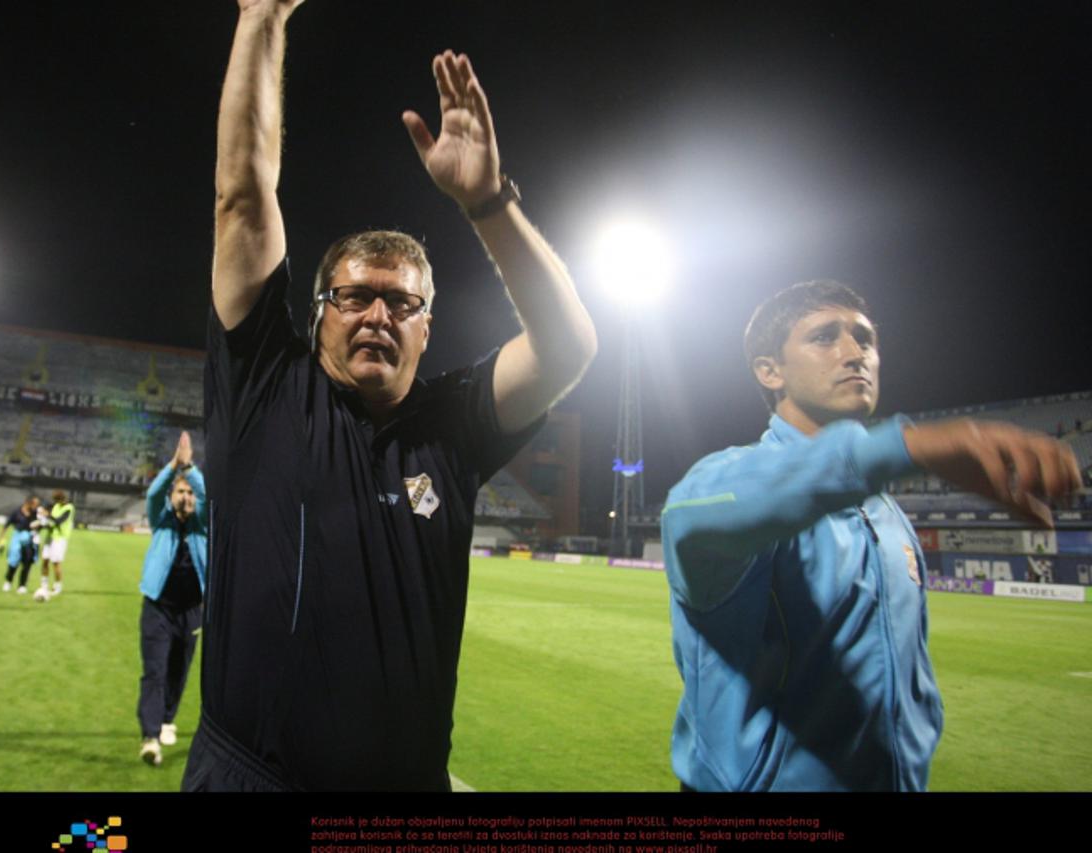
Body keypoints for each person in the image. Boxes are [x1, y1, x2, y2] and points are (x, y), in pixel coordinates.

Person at [183, 0, 597, 791]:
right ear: (318, 313)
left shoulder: (452, 425)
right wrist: (262, 16)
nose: (378, 314)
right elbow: (242, 195)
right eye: (355, 296)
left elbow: (570, 348)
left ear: (427, 328)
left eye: (401, 303)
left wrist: (489, 201)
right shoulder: (267, 385)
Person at [660, 280, 1082, 791]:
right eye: (824, 337)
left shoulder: (886, 513)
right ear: (770, 371)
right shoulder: (728, 481)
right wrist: (909, 447)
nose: (855, 352)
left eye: (865, 338)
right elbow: (692, 518)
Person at [138, 432, 206, 768]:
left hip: (192, 611)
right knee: (154, 670)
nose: (187, 496)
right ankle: (150, 737)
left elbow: (207, 495)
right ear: (172, 496)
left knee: (179, 671)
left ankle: (167, 719)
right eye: (181, 490)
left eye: (190, 492)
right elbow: (152, 493)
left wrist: (189, 468)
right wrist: (173, 467)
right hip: (158, 608)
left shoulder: (203, 525)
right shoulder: (161, 521)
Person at [0, 496, 41, 594]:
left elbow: (39, 526)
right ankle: (8, 582)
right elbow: (7, 524)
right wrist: (1, 538)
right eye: (34, 504)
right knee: (13, 561)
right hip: (17, 539)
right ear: (28, 503)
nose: (36, 506)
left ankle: (22, 585)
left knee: (27, 563)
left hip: (30, 540)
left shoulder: (35, 513)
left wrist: (38, 525)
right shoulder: (16, 512)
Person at [36, 490, 75, 599]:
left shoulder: (69, 508)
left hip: (60, 539)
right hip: (50, 536)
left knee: (55, 563)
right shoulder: (56, 506)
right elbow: (50, 521)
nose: (58, 502)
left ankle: (57, 586)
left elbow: (59, 521)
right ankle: (44, 585)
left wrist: (47, 515)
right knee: (44, 561)